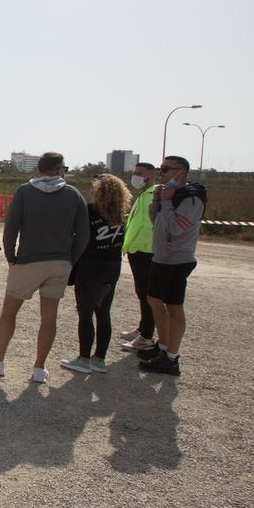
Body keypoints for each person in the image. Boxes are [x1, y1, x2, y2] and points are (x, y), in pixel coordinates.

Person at [0, 152, 88, 383]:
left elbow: (11, 228)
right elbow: (83, 234)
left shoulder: (24, 192)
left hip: (28, 260)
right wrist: (71, 259)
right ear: (59, 169)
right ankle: (39, 368)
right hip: (59, 262)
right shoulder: (73, 194)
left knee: (10, 311)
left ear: (39, 169)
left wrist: (11, 256)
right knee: (49, 317)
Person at [139, 155, 205, 376]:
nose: (161, 173)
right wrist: (158, 200)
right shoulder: (170, 195)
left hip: (177, 260)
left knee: (174, 308)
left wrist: (167, 202)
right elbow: (154, 220)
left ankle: (172, 358)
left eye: (166, 169)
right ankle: (163, 346)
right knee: (154, 300)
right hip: (160, 258)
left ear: (181, 172)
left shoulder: (191, 199)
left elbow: (175, 228)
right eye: (161, 168)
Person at [61, 174, 131, 374]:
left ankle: (84, 358)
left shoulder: (90, 211)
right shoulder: (120, 213)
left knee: (85, 313)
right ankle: (99, 359)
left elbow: (78, 235)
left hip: (91, 265)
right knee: (103, 313)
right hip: (113, 265)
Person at [120, 162, 159, 352]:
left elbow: (148, 227)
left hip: (145, 251)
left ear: (151, 176)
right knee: (142, 294)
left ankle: (146, 337)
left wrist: (133, 246)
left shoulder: (152, 195)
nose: (135, 176)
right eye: (135, 172)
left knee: (147, 295)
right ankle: (143, 328)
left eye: (140, 173)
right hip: (138, 251)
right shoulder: (145, 194)